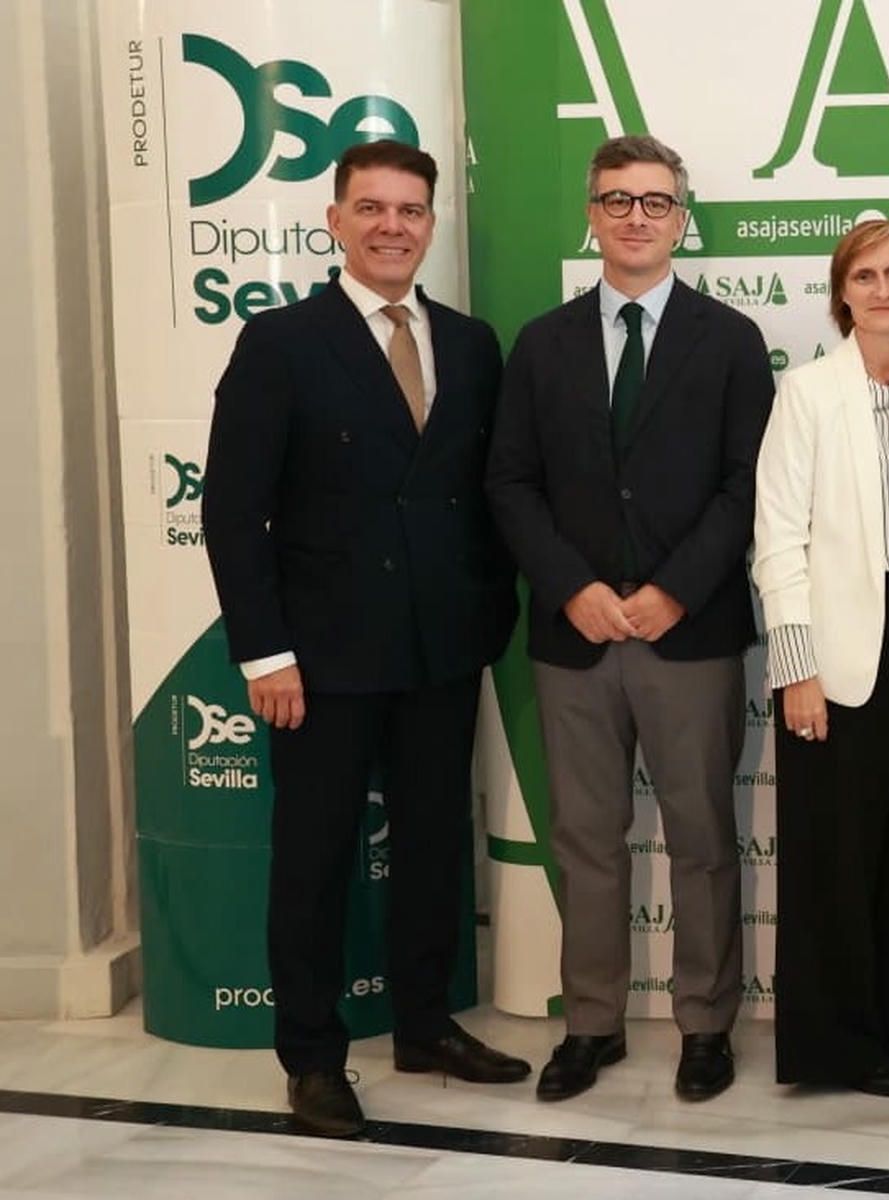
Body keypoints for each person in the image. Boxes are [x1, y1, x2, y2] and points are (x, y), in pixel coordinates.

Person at [203, 139, 529, 1137]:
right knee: (313, 859)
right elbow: (231, 509)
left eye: (411, 209)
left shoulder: (471, 344)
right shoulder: (281, 342)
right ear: (336, 221)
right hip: (320, 659)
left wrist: (488, 616)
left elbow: (481, 496)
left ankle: (426, 1024)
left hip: (441, 648)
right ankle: (309, 1056)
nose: (393, 225)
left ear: (432, 223)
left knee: (435, 846)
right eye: (373, 208)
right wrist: (266, 654)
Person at [485, 134, 773, 1105]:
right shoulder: (542, 343)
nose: (637, 217)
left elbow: (747, 486)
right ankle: (592, 1023)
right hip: (575, 636)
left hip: (689, 634)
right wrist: (572, 586)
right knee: (587, 839)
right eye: (618, 200)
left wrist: (674, 588)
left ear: (681, 218)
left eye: (656, 202)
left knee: (699, 837)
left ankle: (704, 1024)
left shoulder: (729, 340)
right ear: (591, 213)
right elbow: (510, 483)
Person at [752, 219, 889, 1097]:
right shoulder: (807, 393)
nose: (884, 289)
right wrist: (795, 666)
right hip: (837, 644)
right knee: (833, 851)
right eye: (866, 275)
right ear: (842, 292)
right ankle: (839, 1046)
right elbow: (777, 539)